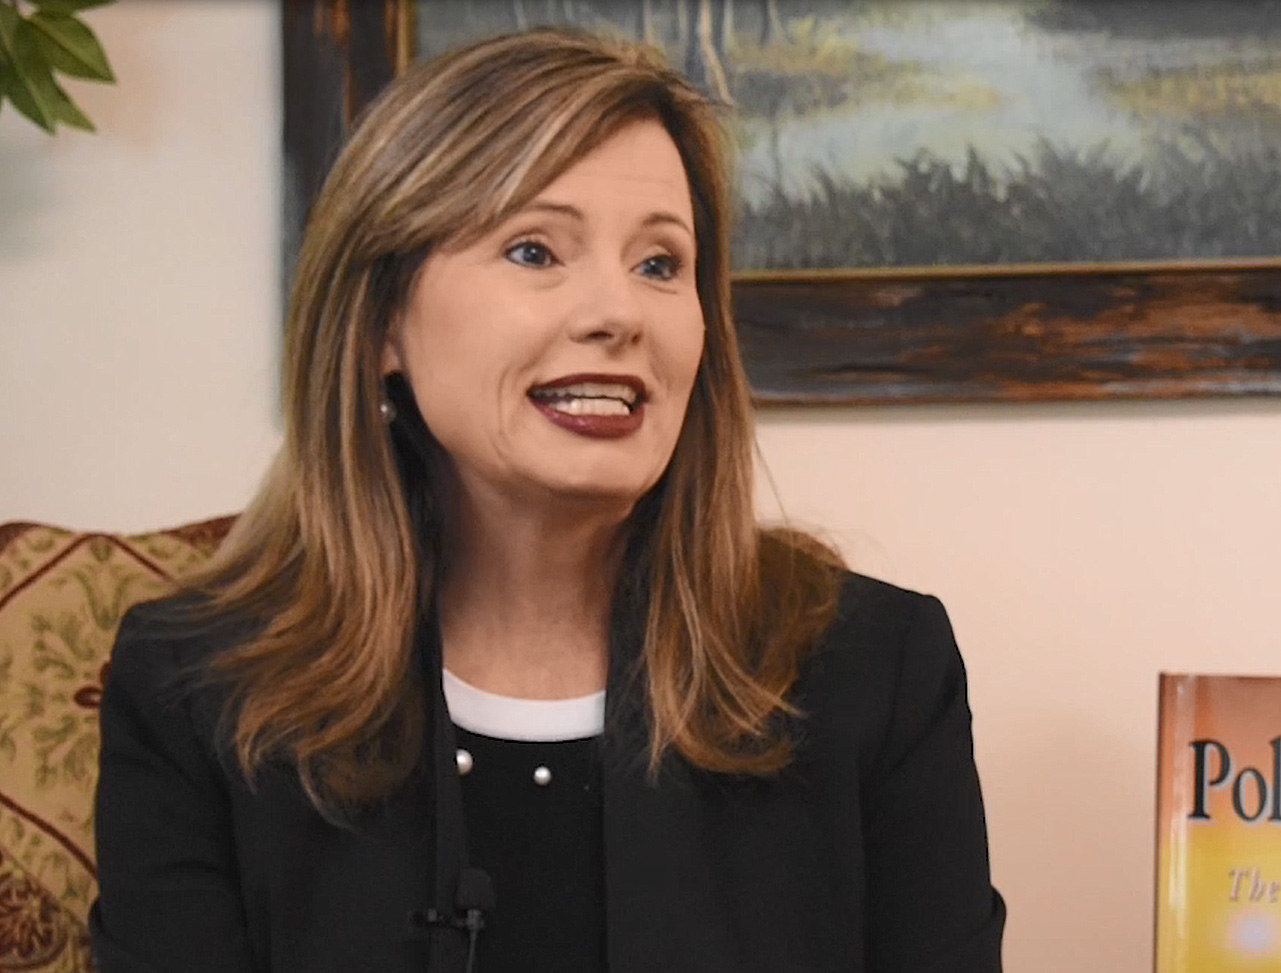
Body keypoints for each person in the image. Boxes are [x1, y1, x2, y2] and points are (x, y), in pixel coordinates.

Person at [90, 27, 1005, 973]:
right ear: (379, 324)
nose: (616, 312)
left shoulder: (876, 670)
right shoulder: (195, 692)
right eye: (534, 250)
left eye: (659, 264)